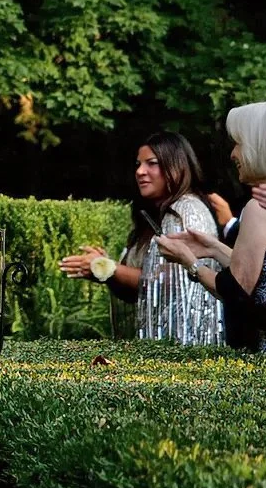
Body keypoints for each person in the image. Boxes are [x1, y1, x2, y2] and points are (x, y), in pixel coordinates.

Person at [59, 132, 223, 345]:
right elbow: (140, 292)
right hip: (156, 349)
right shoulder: (152, 216)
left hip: (185, 350)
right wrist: (106, 272)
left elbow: (167, 283)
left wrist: (109, 268)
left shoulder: (185, 211)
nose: (140, 171)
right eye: (138, 164)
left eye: (151, 163)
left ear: (177, 166)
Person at [158, 102, 266, 354]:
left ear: (260, 146)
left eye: (239, 143)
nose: (233, 154)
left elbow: (235, 290)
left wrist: (190, 263)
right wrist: (213, 248)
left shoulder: (260, 208)